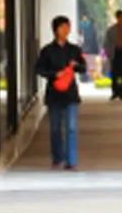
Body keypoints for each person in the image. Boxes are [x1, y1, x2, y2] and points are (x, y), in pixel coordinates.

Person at [36, 15, 86, 170]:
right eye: (63, 27)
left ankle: (71, 161)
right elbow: (39, 70)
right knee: (55, 128)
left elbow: (83, 68)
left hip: (70, 93)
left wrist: (76, 65)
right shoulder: (47, 51)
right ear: (56, 30)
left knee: (71, 128)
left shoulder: (74, 50)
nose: (66, 30)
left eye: (68, 27)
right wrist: (54, 74)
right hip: (54, 94)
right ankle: (58, 157)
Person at [103, 10, 122, 100]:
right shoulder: (111, 30)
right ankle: (115, 92)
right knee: (115, 73)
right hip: (115, 52)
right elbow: (106, 42)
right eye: (120, 17)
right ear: (117, 18)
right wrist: (108, 53)